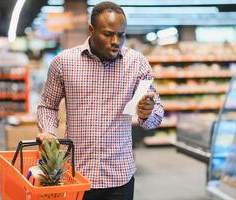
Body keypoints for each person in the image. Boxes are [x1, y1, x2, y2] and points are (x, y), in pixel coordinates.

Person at [37, 1, 164, 200]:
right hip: (76, 175)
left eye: (121, 35)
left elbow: (156, 114)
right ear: (91, 30)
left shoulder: (138, 64)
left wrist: (147, 113)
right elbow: (48, 105)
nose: (116, 41)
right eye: (108, 34)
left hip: (119, 178)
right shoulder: (64, 62)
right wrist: (48, 132)